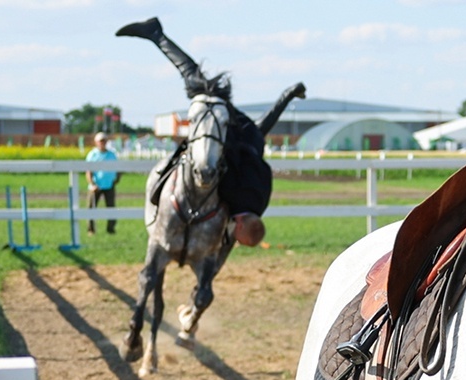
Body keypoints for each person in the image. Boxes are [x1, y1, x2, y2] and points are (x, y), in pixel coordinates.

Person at [116, 17, 306, 245]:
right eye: (237, 234)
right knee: (192, 76)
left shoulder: (260, 202)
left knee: (197, 78)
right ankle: (156, 34)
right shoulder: (237, 202)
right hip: (232, 136)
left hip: (250, 141)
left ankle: (290, 92)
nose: (233, 234)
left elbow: (262, 160)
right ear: (242, 225)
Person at [85, 132, 120, 234]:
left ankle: (111, 228)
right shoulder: (92, 155)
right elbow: (88, 171)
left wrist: (117, 179)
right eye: (100, 141)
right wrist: (92, 184)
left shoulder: (112, 155)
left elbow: (118, 168)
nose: (102, 143)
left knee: (111, 207)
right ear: (96, 142)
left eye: (104, 141)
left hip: (109, 185)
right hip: (96, 185)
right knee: (91, 207)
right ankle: (91, 229)